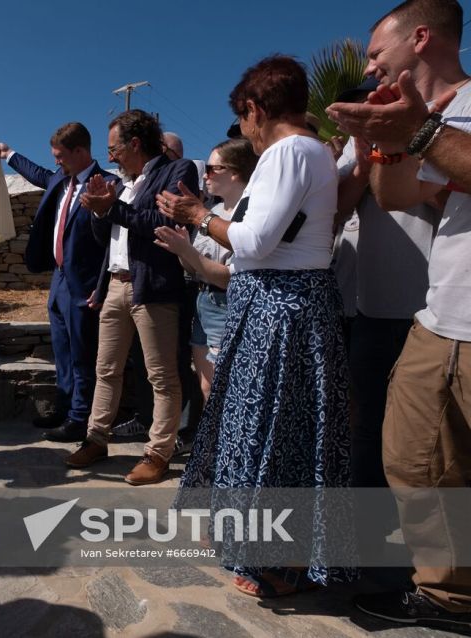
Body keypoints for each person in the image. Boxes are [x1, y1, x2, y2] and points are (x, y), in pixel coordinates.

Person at [160, 55, 354, 596]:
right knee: (262, 426)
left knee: (275, 430)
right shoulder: (303, 152)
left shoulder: (290, 151)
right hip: (273, 303)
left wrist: (198, 216)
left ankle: (278, 564)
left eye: (243, 119)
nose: (244, 132)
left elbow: (253, 242)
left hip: (282, 307)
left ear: (253, 109)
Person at [327, 0, 471, 629]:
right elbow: (399, 198)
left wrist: (417, 134)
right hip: (441, 317)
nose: (369, 66)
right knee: (412, 463)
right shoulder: (431, 120)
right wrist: (383, 145)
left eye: (376, 53)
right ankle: (449, 596)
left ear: (419, 39)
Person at [63, 110, 198, 485]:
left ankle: (158, 454)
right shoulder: (123, 182)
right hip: (116, 285)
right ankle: (96, 439)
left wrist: (112, 208)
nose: (110, 157)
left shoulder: (177, 171)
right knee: (106, 369)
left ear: (135, 143)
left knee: (162, 377)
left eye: (114, 148)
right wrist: (97, 211)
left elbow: (164, 224)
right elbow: (105, 236)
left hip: (153, 287)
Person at [0, 124, 120, 444]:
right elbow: (37, 173)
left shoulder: (108, 185)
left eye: (61, 156)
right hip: (60, 278)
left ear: (80, 152)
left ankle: (80, 417)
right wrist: (8, 154)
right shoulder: (61, 181)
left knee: (82, 353)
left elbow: (113, 244)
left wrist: (101, 285)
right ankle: (64, 407)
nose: (57, 162)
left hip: (86, 283)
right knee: (62, 350)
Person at [153, 138, 257, 401]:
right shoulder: (213, 210)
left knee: (225, 391)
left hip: (225, 306)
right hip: (204, 303)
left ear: (234, 172)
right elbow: (194, 267)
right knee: (207, 387)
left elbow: (228, 278)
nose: (205, 175)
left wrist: (186, 250)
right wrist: (181, 247)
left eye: (212, 169)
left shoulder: (249, 213)